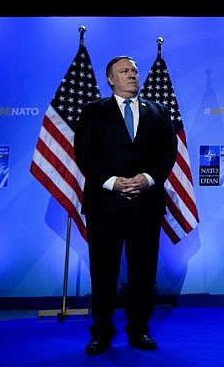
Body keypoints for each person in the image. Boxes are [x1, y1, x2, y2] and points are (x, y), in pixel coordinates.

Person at [74, 55, 177, 355]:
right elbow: (84, 152)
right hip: (104, 204)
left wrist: (146, 178)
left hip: (146, 204)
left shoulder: (157, 111)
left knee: (143, 272)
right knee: (103, 272)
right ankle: (101, 334)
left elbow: (168, 152)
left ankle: (139, 330)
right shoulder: (93, 112)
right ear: (110, 79)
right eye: (124, 71)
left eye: (134, 70)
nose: (132, 74)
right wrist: (112, 182)